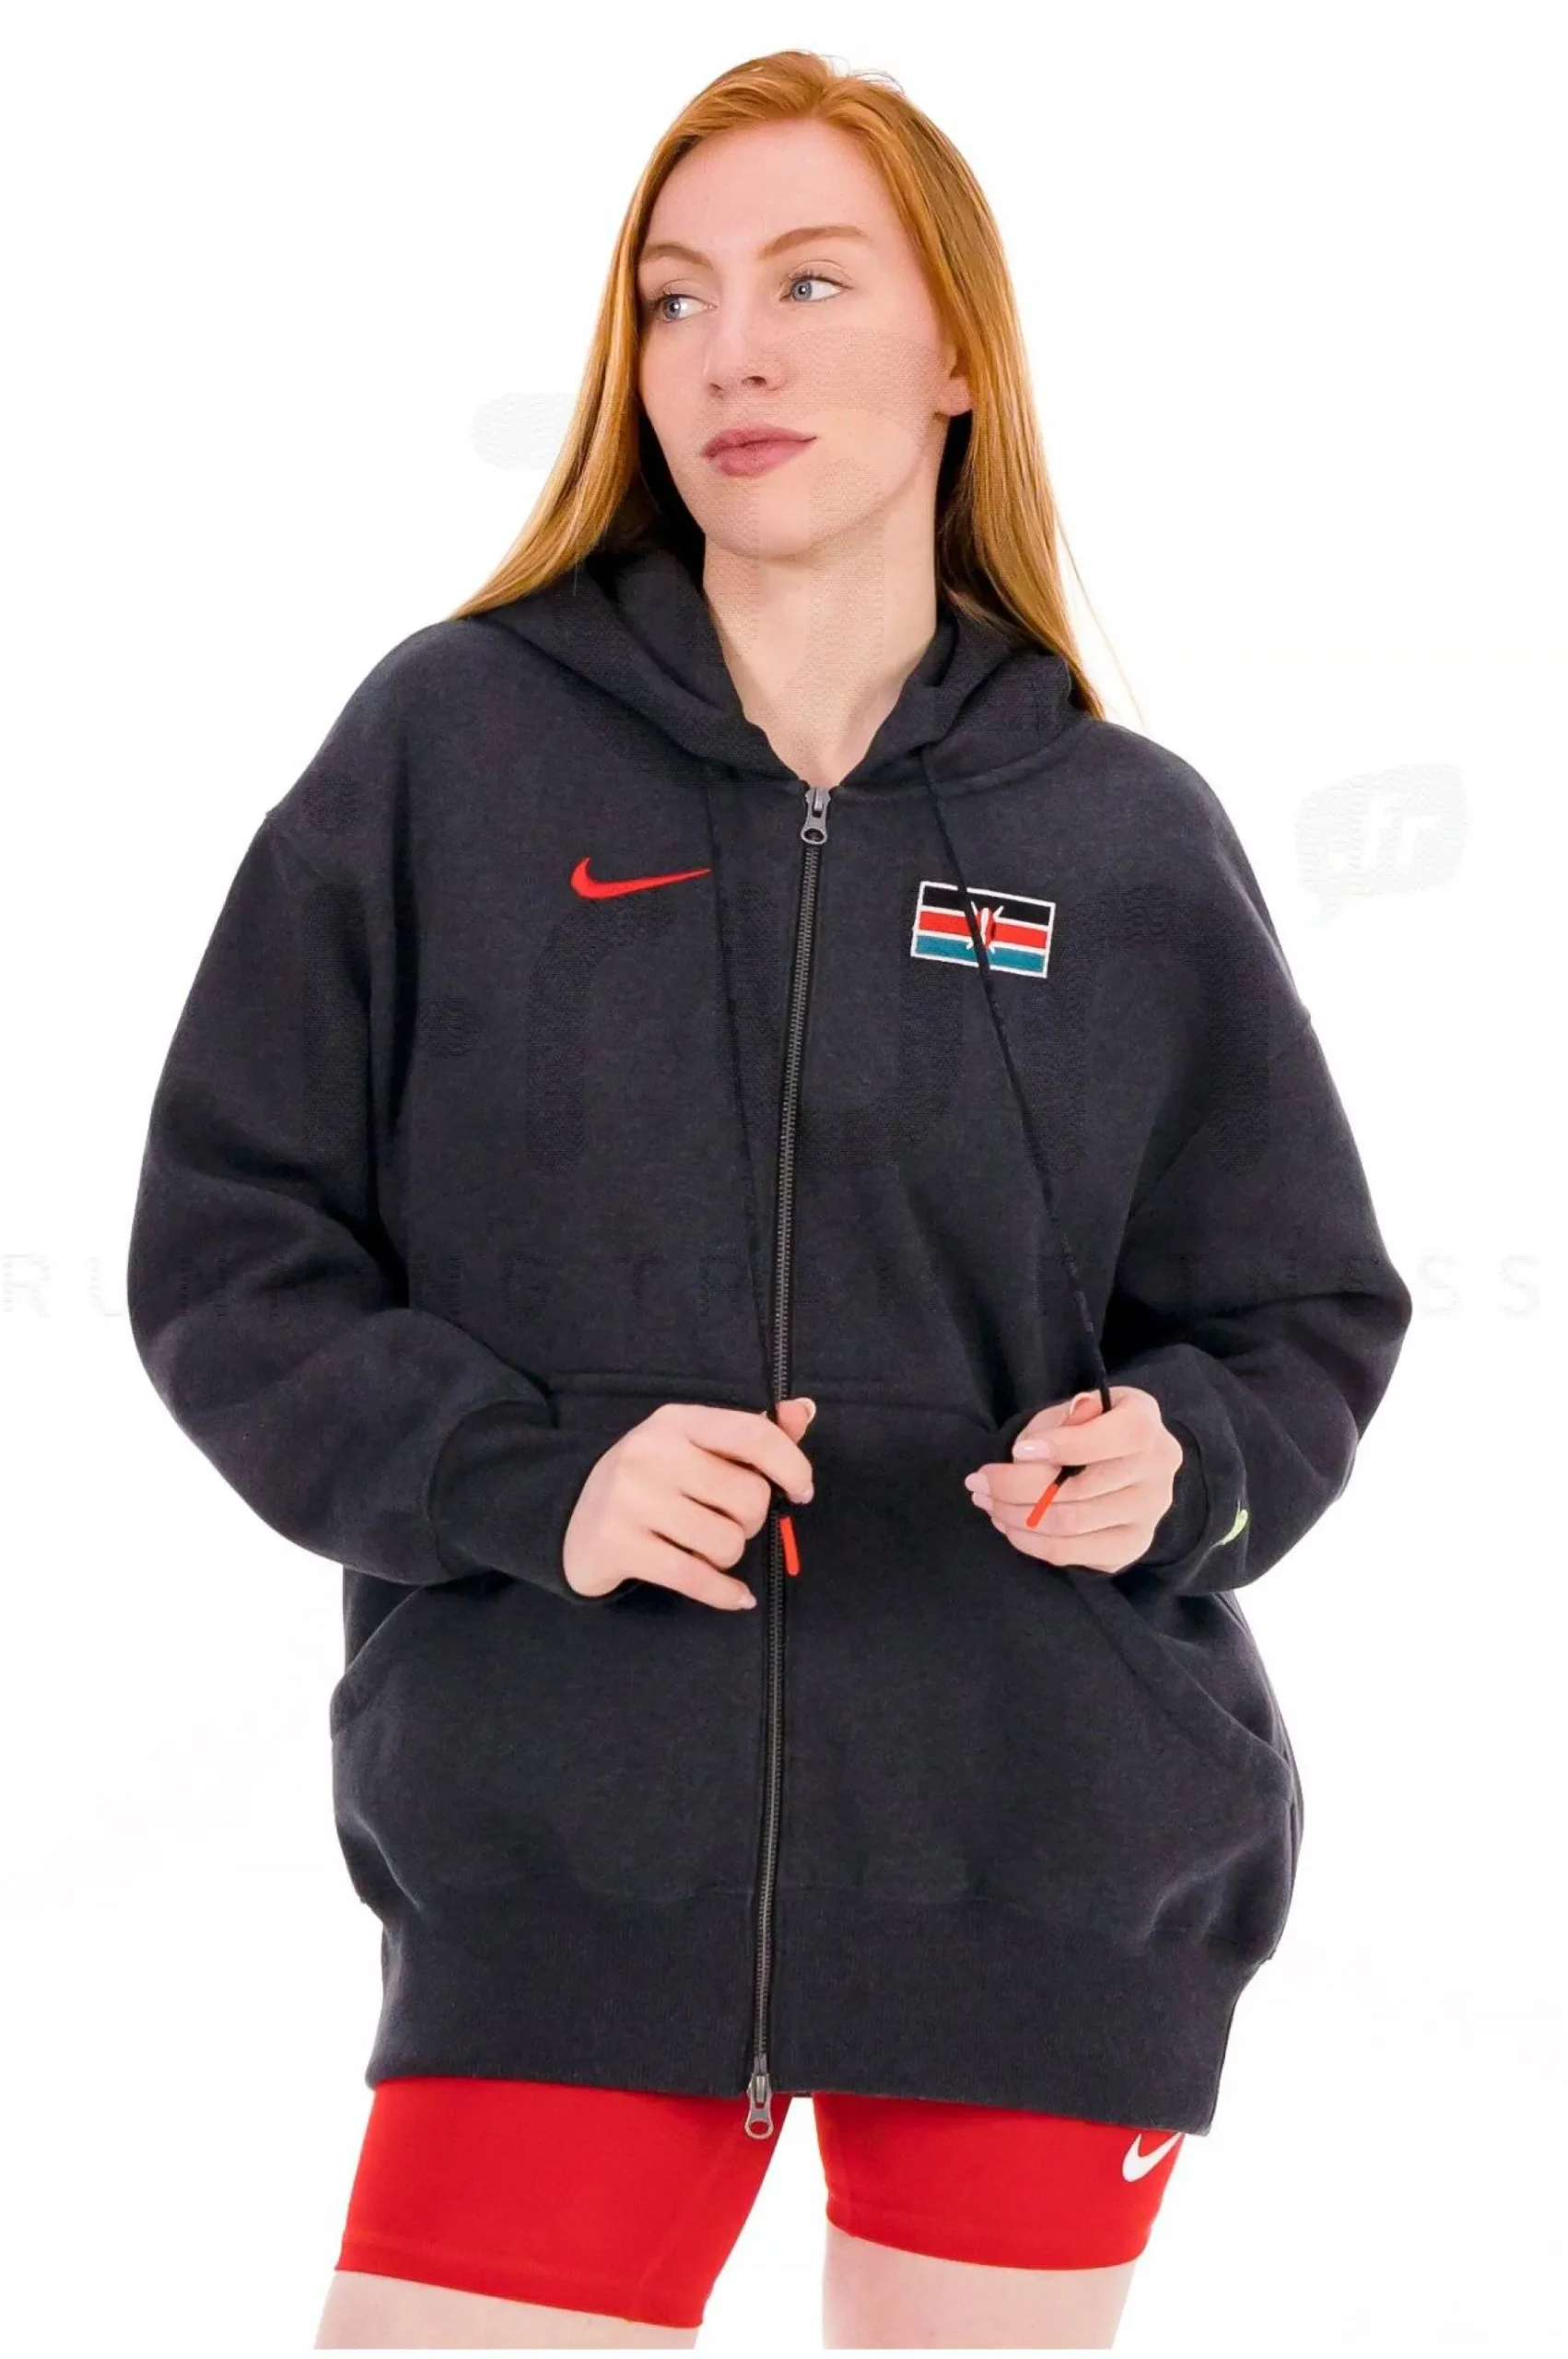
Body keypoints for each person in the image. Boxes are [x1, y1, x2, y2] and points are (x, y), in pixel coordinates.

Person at [124, 49, 1413, 2353]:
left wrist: (1178, 1459)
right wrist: (532, 1476)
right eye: (675, 296)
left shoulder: (1116, 831)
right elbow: (234, 1246)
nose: (730, 350)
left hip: (1039, 1847)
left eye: (810, 283)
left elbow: (1294, 1305)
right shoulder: (450, 748)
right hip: (563, 1838)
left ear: (955, 354)